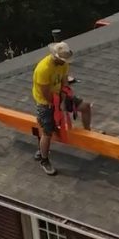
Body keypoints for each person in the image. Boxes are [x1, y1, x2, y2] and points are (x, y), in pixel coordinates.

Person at [32, 42, 92, 175]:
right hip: (45, 102)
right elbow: (45, 93)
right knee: (47, 132)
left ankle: (88, 134)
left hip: (59, 95)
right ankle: (44, 160)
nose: (65, 62)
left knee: (85, 106)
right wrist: (57, 106)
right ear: (55, 56)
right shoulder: (43, 69)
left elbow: (64, 82)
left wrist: (64, 100)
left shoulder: (63, 64)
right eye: (63, 59)